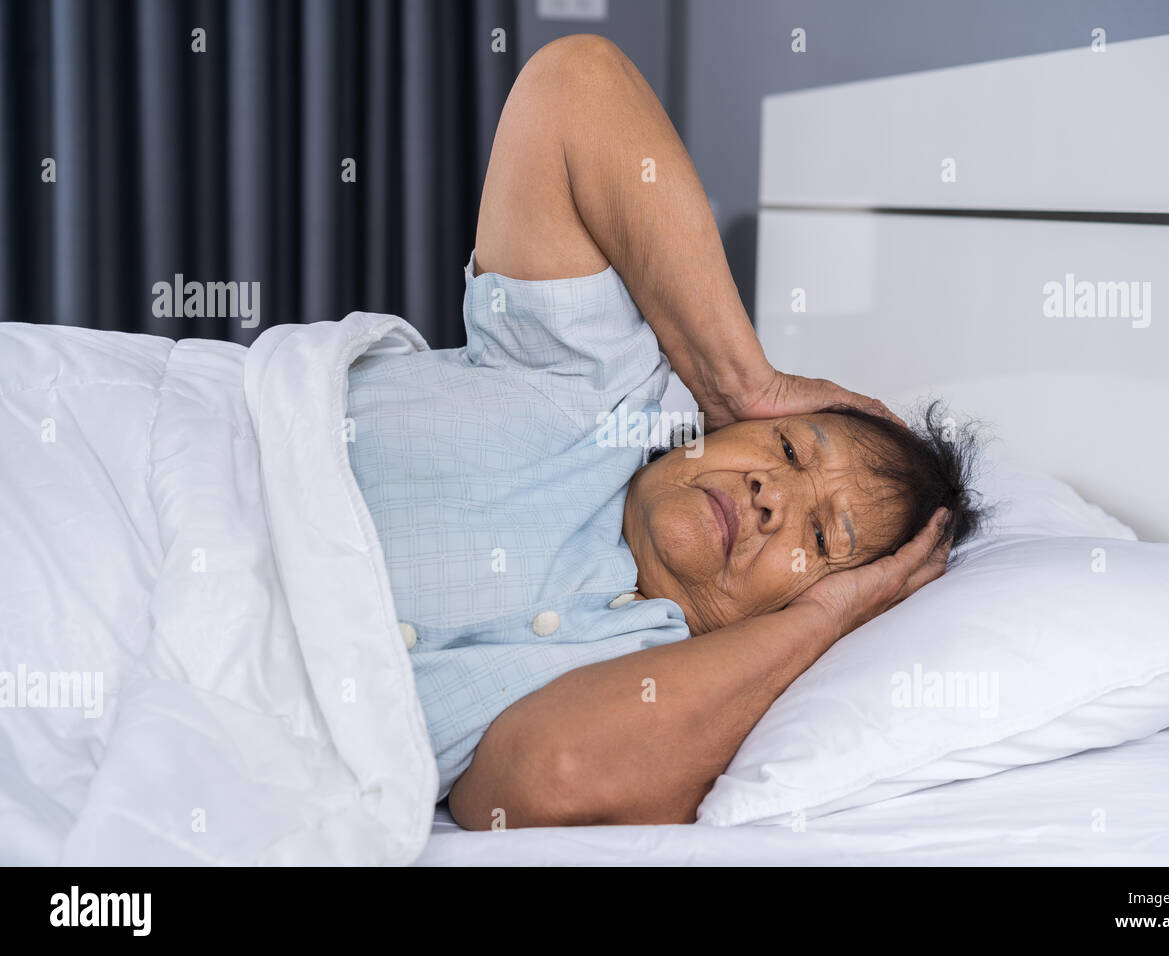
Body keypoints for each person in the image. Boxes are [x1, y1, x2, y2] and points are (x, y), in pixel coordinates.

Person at [344, 34, 980, 830]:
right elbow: (572, 84)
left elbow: (546, 779)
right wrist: (742, 379)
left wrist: (823, 623)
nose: (770, 493)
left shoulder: (645, 683)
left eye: (822, 538)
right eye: (787, 448)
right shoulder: (594, 385)